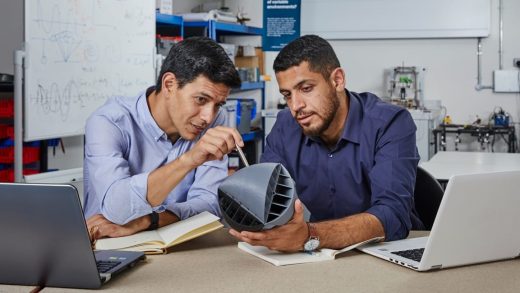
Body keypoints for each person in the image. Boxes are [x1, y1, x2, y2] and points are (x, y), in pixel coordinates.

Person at [230, 35, 423, 252]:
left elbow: (393, 215)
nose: (295, 106)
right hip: (307, 260)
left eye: (306, 88)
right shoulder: (285, 125)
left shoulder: (390, 123)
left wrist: (310, 235)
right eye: (287, 95)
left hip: (380, 254)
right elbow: (266, 200)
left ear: (337, 80)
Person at [84, 37, 243, 239]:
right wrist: (189, 160)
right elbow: (117, 210)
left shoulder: (216, 118)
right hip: (108, 246)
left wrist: (149, 220)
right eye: (201, 99)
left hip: (179, 247)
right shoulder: (108, 122)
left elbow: (210, 204)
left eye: (218, 104)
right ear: (169, 84)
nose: (208, 117)